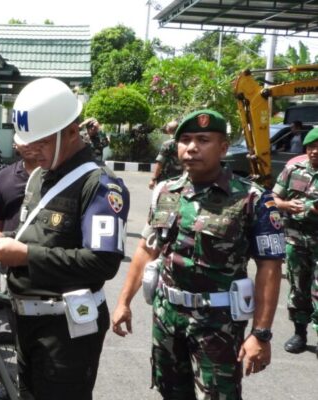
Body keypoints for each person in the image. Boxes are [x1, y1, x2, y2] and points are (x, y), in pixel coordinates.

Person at [111, 109, 285, 399]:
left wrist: (261, 333)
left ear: (223, 147)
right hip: (167, 317)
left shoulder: (252, 199)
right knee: (170, 392)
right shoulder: (167, 192)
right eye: (186, 140)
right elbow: (147, 247)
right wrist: (123, 302)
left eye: (203, 139)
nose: (191, 148)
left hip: (217, 324)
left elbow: (270, 267)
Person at [0, 78, 130, 400]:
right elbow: (44, 236)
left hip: (67, 329)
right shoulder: (39, 178)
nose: (32, 151)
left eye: (43, 143)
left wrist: (25, 255)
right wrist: (0, 238)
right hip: (25, 321)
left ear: (72, 131)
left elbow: (102, 263)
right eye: (29, 142)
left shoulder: (99, 185)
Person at [272, 126, 318, 356]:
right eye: (311, 146)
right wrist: (286, 205)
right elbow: (273, 197)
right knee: (298, 288)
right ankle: (300, 333)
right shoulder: (293, 169)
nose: (315, 151)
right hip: (296, 240)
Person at [0, 136, 38, 290]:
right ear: (15, 145)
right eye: (22, 138)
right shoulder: (4, 177)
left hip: (46, 269)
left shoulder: (59, 176)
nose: (27, 143)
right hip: (9, 272)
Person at [149, 120, 183, 189]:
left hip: (167, 180)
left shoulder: (168, 144)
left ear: (169, 130)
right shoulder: (185, 143)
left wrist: (153, 179)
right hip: (182, 180)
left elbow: (160, 163)